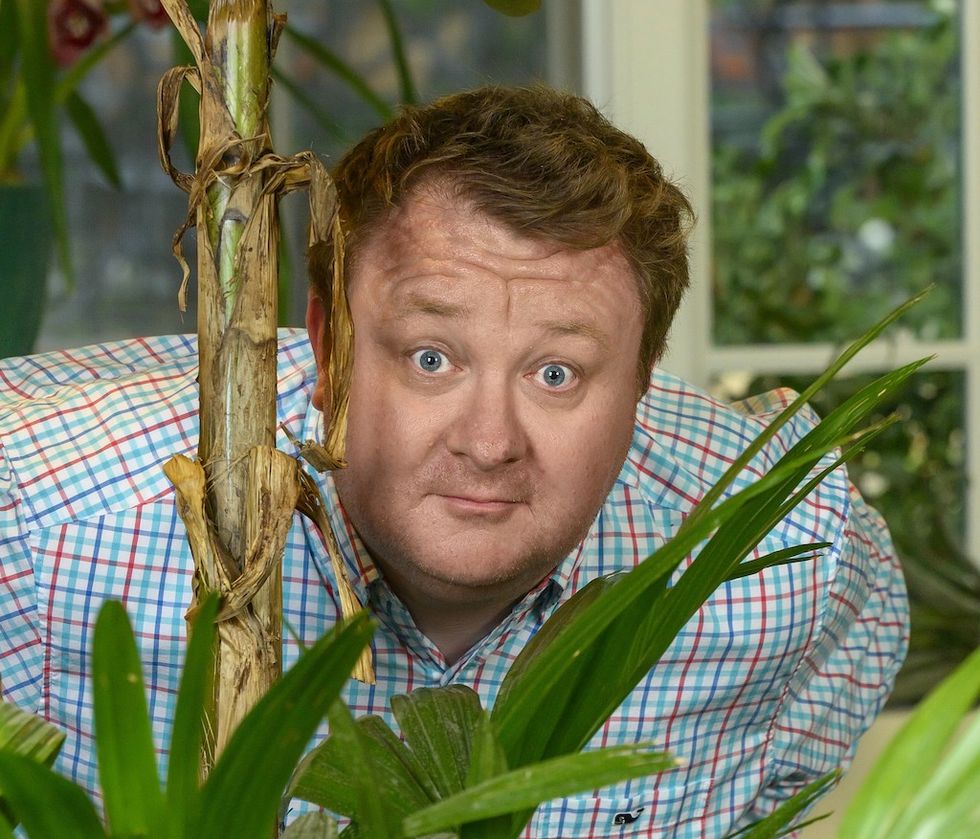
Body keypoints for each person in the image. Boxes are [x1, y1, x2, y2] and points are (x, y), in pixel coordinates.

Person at [0, 85, 906, 837]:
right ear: (327, 348)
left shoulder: (795, 558)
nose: (488, 441)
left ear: (641, 383)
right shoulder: (35, 531)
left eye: (557, 373)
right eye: (432, 357)